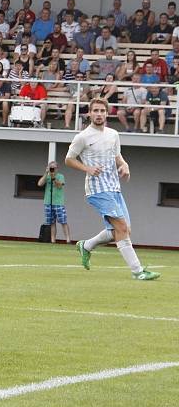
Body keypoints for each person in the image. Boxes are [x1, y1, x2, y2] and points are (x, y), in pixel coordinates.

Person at [66, 98, 160, 281]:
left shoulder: (113, 134)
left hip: (114, 188)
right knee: (122, 228)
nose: (99, 114)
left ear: (107, 113)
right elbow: (69, 159)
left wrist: (125, 165)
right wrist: (87, 169)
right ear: (90, 113)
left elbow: (117, 156)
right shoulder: (82, 137)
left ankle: (86, 246)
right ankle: (138, 271)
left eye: (102, 111)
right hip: (97, 190)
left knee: (124, 230)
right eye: (95, 111)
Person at [37, 161, 70, 244]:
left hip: (58, 202)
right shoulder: (47, 176)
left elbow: (59, 185)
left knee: (63, 221)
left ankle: (68, 240)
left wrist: (53, 178)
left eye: (54, 168)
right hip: (48, 202)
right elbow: (40, 184)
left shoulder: (60, 176)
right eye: (51, 167)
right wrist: (46, 173)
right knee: (51, 222)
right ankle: (53, 240)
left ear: (57, 168)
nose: (53, 169)